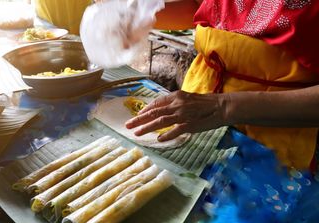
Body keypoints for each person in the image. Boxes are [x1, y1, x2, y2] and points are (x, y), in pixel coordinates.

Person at [125, 0, 319, 170]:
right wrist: (132, 16)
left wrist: (224, 106)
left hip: (275, 135)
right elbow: (202, 6)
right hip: (197, 112)